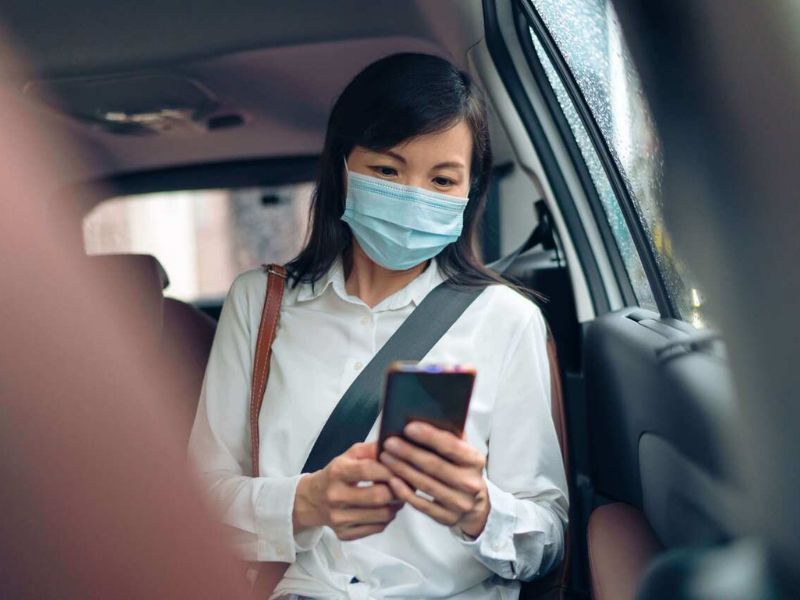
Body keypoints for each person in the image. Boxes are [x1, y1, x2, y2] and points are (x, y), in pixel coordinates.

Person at [188, 52, 568, 600]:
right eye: (387, 171)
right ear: (342, 168)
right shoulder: (260, 302)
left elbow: (549, 539)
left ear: (470, 191)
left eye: (442, 179)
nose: (414, 196)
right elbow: (198, 502)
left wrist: (481, 509)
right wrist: (306, 503)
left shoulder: (508, 320)